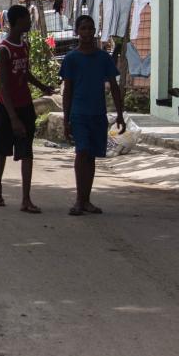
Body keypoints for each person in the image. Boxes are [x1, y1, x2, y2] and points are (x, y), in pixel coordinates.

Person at [58, 14, 128, 215]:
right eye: (83, 28)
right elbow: (67, 91)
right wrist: (66, 119)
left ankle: (87, 200)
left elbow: (114, 87)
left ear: (94, 31)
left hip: (98, 114)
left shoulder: (103, 58)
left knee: (91, 157)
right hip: (78, 114)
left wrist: (120, 114)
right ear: (77, 32)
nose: (87, 32)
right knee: (82, 153)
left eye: (90, 28)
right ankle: (79, 200)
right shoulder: (71, 59)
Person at [0, 3, 56, 212]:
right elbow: (3, 86)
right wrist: (13, 118)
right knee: (2, 151)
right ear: (18, 21)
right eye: (28, 18)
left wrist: (42, 87)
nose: (30, 22)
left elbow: (25, 73)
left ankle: (26, 198)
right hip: (6, 108)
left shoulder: (24, 46)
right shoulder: (4, 50)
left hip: (25, 105)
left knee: (27, 152)